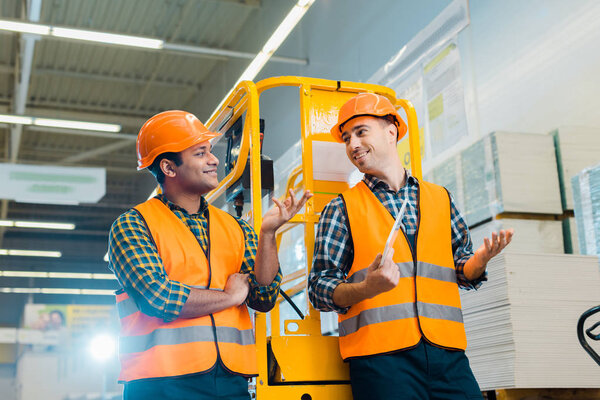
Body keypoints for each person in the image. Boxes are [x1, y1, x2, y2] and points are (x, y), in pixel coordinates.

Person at [307, 93, 513, 400]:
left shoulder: (439, 198)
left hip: (447, 355)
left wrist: (480, 260)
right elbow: (319, 289)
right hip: (381, 361)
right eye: (347, 138)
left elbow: (461, 267)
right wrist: (366, 288)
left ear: (391, 131)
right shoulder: (342, 208)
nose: (352, 145)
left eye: (361, 132)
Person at [108, 110, 311, 400]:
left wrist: (268, 235)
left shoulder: (236, 228)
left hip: (230, 383)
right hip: (160, 385)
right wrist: (229, 297)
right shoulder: (133, 225)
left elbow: (264, 297)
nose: (214, 160)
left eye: (210, 152)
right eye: (200, 153)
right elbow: (159, 298)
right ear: (168, 167)